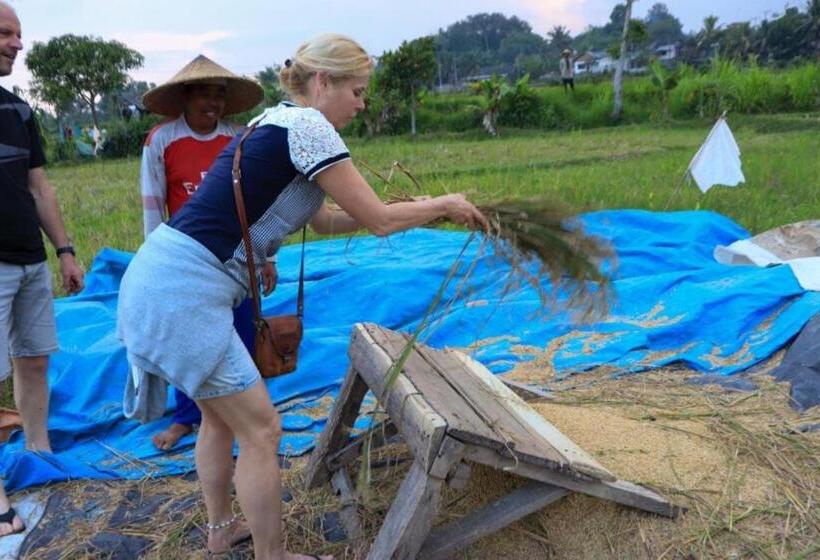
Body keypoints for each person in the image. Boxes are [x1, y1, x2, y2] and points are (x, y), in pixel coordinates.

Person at [117, 33, 487, 560]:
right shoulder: (310, 126)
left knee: (221, 417)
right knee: (263, 428)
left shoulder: (275, 122)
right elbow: (379, 220)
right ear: (322, 82)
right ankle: (273, 555)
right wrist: (441, 204)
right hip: (183, 292)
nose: (362, 103)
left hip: (161, 277)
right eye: (357, 90)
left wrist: (417, 208)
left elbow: (329, 217)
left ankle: (222, 530)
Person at [140, 54, 274, 453]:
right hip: (186, 260)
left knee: (242, 329)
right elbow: (152, 206)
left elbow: (256, 201)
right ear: (185, 96)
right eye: (203, 93)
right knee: (189, 341)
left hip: (235, 254)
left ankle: (244, 409)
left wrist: (266, 256)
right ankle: (187, 417)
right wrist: (155, 263)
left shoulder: (239, 138)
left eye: (219, 94)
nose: (211, 103)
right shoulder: (161, 140)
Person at [0, 0, 84, 538]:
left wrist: (65, 249)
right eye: (7, 33)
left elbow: (39, 186)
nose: (18, 43)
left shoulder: (18, 110)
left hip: (29, 259)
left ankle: (39, 451)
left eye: (19, 33)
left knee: (33, 362)